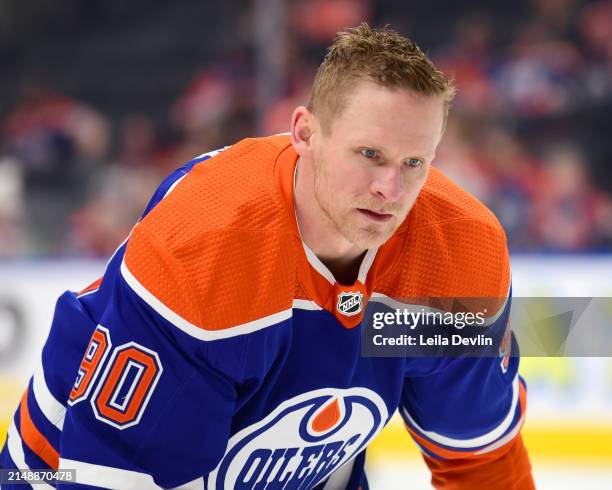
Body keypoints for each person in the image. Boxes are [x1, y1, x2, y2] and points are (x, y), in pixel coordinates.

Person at [0, 24, 534, 489]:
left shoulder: (460, 253)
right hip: (60, 467)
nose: (390, 189)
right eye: (369, 155)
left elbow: (480, 459)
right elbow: (116, 477)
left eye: (414, 162)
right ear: (305, 133)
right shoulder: (207, 244)